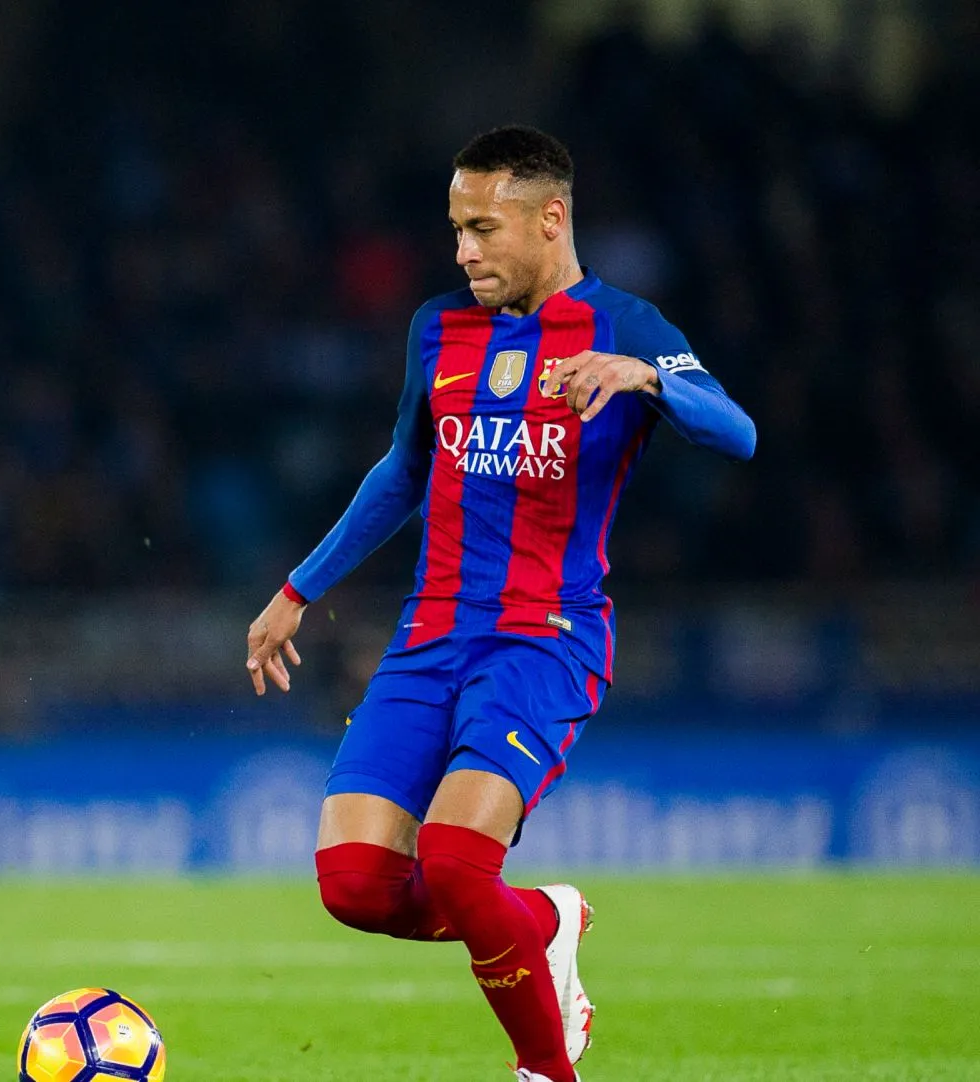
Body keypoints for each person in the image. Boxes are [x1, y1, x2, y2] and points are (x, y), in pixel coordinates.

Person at [242, 125, 755, 1082]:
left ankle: (544, 1072)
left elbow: (740, 432)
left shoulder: (629, 328)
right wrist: (298, 589)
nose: (463, 251)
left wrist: (644, 378)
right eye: (456, 228)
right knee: (355, 883)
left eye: (482, 228)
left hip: (543, 640)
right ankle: (548, 919)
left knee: (456, 860)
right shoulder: (438, 330)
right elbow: (403, 473)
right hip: (429, 636)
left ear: (550, 218)